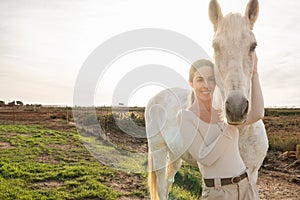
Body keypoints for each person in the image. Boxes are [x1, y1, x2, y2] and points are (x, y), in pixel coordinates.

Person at [177, 54, 263, 199]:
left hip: (246, 187)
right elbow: (205, 158)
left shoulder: (224, 114)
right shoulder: (185, 117)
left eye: (211, 79)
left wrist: (254, 74)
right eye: (199, 80)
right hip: (218, 193)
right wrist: (229, 127)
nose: (206, 85)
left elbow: (257, 113)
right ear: (191, 83)